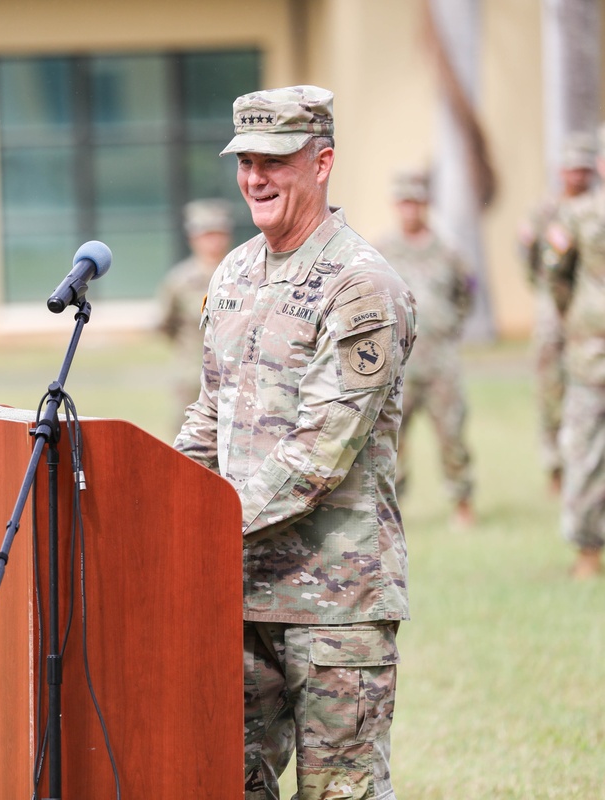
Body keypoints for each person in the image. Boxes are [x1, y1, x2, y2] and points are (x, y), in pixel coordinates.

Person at [173, 86, 416, 800]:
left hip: (335, 605)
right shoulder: (235, 274)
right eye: (246, 160)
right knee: (225, 783)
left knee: (340, 794)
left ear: (322, 163)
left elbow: (317, 457)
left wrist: (194, 529)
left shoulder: (361, 285)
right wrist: (155, 502)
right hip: (238, 596)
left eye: (275, 160)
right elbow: (208, 420)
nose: (256, 177)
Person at [375, 168, 476, 527]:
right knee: (391, 439)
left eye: (415, 202)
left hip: (441, 363)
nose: (409, 210)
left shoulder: (448, 250)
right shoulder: (380, 251)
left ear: (426, 204)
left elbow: (466, 294)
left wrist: (448, 329)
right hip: (397, 365)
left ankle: (462, 502)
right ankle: (390, 510)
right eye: (403, 202)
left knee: (451, 433)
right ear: (395, 205)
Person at [517, 133, 597, 495]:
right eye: (572, 169)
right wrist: (547, 296)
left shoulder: (598, 208)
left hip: (593, 316)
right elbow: (529, 257)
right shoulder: (545, 211)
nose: (577, 177)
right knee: (551, 387)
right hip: (555, 311)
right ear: (560, 170)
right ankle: (555, 465)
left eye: (584, 169)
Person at [544, 128, 605, 580]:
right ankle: (588, 553)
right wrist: (581, 321)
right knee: (584, 454)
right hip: (592, 358)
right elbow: (555, 276)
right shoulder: (579, 215)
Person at [157, 198, 234, 434]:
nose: (213, 241)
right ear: (193, 238)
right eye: (207, 234)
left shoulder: (242, 273)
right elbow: (166, 325)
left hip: (235, 379)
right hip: (192, 380)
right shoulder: (179, 280)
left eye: (218, 233)